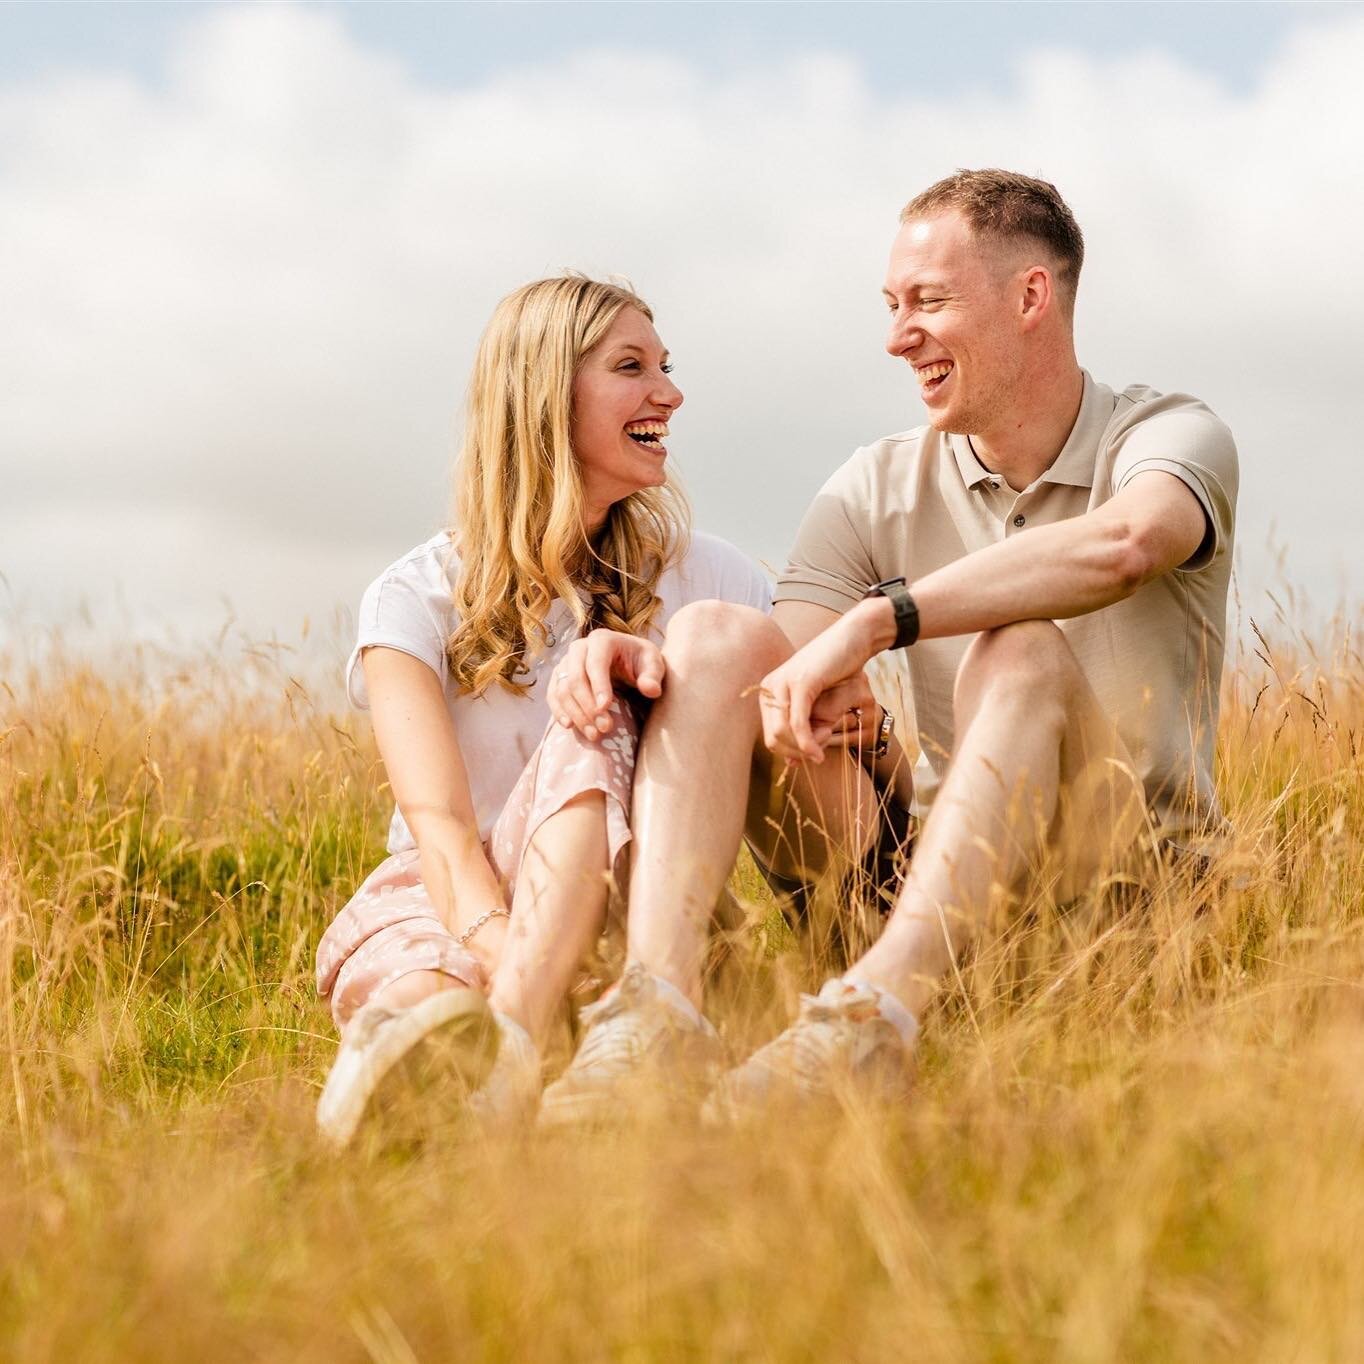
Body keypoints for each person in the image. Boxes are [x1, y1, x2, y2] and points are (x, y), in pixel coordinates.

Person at [535, 168, 1238, 1122]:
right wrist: (630, 654)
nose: (898, 334)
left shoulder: (1168, 433)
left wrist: (883, 617)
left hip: (1122, 899)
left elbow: (1129, 545)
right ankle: (656, 1013)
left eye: (929, 302)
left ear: (1031, 296)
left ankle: (870, 1020)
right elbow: (772, 689)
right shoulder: (874, 483)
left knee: (1017, 652)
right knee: (709, 636)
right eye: (892, 304)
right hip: (933, 885)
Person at [314, 274, 772, 1144]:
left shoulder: (713, 580)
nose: (668, 394)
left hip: (638, 908)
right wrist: (512, 958)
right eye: (631, 367)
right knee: (423, 1008)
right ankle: (454, 1101)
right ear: (543, 394)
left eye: (665, 366)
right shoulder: (412, 601)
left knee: (592, 713)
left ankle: (513, 1046)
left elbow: (795, 716)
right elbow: (443, 833)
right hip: (458, 898)